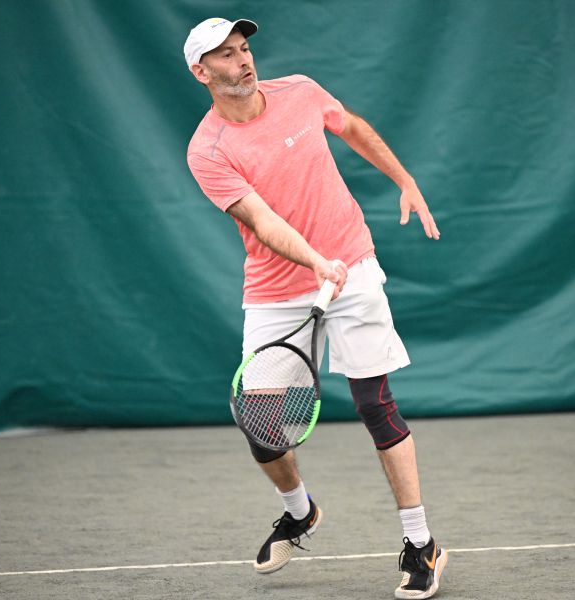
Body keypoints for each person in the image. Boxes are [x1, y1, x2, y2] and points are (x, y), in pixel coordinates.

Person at [183, 17, 446, 599]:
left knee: (374, 404)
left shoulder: (300, 91)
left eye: (244, 49)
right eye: (225, 56)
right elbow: (261, 220)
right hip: (276, 288)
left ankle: (420, 542)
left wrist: (404, 178)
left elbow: (350, 126)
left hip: (351, 264)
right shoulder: (208, 151)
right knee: (260, 427)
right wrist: (313, 261)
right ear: (202, 73)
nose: (243, 61)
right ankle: (300, 511)